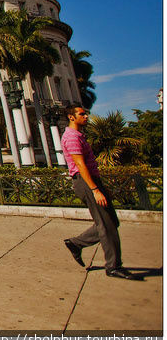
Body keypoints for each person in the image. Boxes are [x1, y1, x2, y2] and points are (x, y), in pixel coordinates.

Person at [62, 106, 139, 280]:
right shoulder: (72, 137)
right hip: (85, 182)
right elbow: (80, 165)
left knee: (111, 221)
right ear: (71, 117)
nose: (86, 116)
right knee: (106, 225)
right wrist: (95, 189)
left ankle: (76, 243)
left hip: (91, 181)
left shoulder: (78, 135)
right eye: (82, 114)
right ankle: (113, 266)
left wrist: (100, 186)